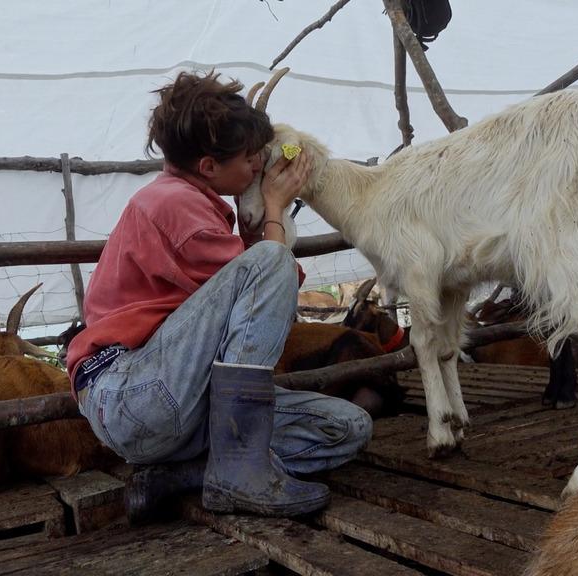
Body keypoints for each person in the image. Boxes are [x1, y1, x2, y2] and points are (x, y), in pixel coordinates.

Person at [65, 70, 373, 519]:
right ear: (209, 166)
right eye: (250, 158)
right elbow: (274, 280)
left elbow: (252, 300)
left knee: (346, 427)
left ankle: (185, 475)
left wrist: (256, 226)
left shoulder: (196, 206)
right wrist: (273, 207)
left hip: (179, 401)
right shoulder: (173, 204)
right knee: (272, 260)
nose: (257, 166)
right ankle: (239, 472)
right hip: (133, 391)